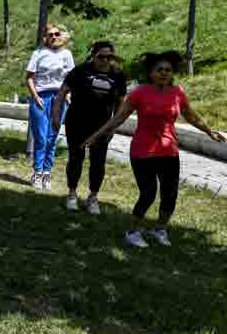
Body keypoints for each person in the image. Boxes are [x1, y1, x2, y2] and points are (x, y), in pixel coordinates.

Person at [84, 51, 225, 247]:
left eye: (168, 70)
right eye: (160, 70)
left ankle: (160, 229)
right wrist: (96, 136)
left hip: (169, 152)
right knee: (148, 193)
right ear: (151, 73)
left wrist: (210, 132)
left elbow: (191, 117)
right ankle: (132, 231)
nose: (164, 73)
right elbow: (119, 118)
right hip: (142, 152)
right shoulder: (140, 93)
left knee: (170, 194)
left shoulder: (178, 93)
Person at [52, 41, 126, 214]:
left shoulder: (118, 76)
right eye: (101, 56)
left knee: (98, 162)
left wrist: (113, 127)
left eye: (109, 57)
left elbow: (121, 103)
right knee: (76, 158)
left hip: (102, 127)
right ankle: (72, 194)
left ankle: (92, 197)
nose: (105, 60)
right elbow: (62, 92)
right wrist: (56, 115)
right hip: (77, 123)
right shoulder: (80, 71)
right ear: (93, 55)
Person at [25, 23, 75, 191]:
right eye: (50, 35)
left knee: (52, 137)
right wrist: (35, 96)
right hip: (41, 96)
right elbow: (29, 78)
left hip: (59, 97)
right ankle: (37, 173)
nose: (54, 37)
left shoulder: (67, 54)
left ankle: (47, 172)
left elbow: (71, 78)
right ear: (45, 38)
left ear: (61, 36)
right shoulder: (38, 53)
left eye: (56, 34)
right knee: (40, 136)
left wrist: (67, 95)